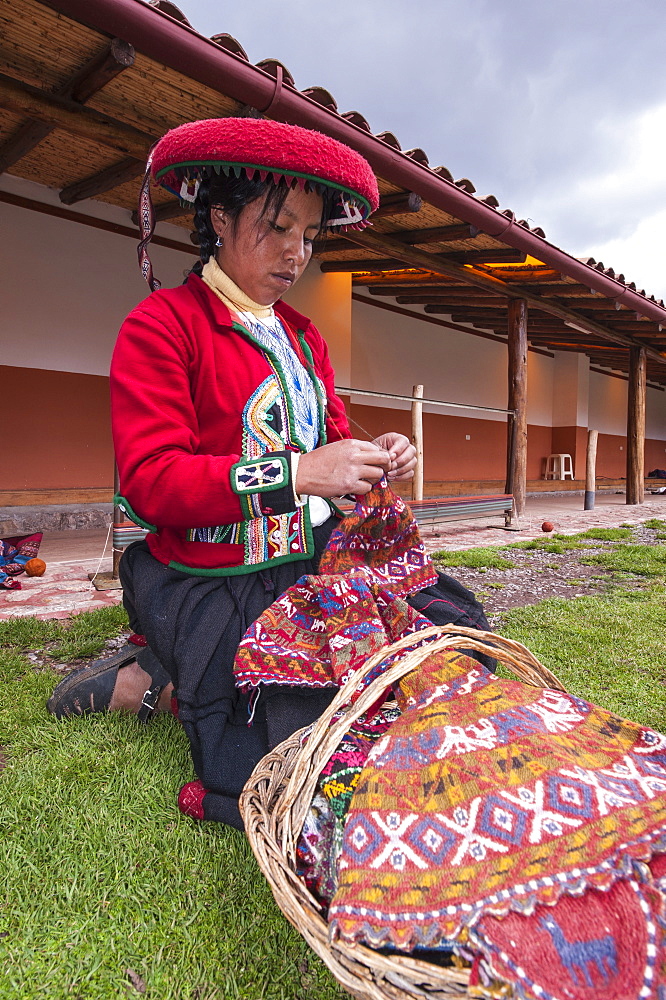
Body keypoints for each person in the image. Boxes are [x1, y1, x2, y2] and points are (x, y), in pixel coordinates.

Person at [47, 117, 491, 828]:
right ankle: (148, 680)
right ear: (219, 218)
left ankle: (167, 671)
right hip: (216, 575)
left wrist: (379, 457)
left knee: (438, 658)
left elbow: (334, 441)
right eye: (278, 226)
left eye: (310, 236)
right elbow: (152, 480)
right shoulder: (163, 326)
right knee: (296, 740)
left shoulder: (304, 336)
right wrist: (297, 474)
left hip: (313, 563)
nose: (296, 252)